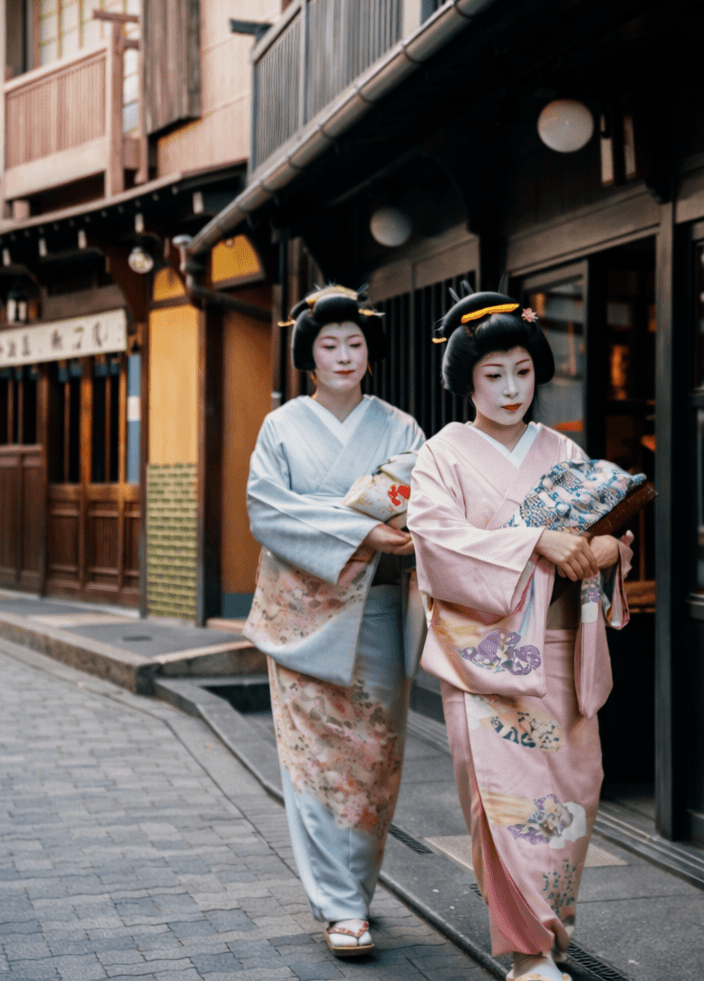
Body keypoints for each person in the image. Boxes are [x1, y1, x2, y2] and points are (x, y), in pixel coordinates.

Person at [407, 286, 634, 981]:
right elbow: (438, 542)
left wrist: (607, 554)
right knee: (502, 805)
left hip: (562, 654)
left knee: (570, 796)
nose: (511, 390)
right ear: (467, 380)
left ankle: (553, 936)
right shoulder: (442, 455)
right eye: (493, 375)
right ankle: (527, 954)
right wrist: (537, 543)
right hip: (484, 660)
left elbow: (604, 535)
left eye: (523, 372)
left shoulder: (560, 449)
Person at [243, 284, 425, 957]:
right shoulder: (282, 426)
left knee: (374, 757)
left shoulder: (401, 428)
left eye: (354, 342)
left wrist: (387, 532)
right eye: (329, 344)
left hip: (374, 608)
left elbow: (416, 502)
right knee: (316, 760)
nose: (343, 354)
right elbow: (268, 512)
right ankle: (340, 906)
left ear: (369, 352)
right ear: (308, 355)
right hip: (302, 620)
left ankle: (359, 892)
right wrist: (363, 532)